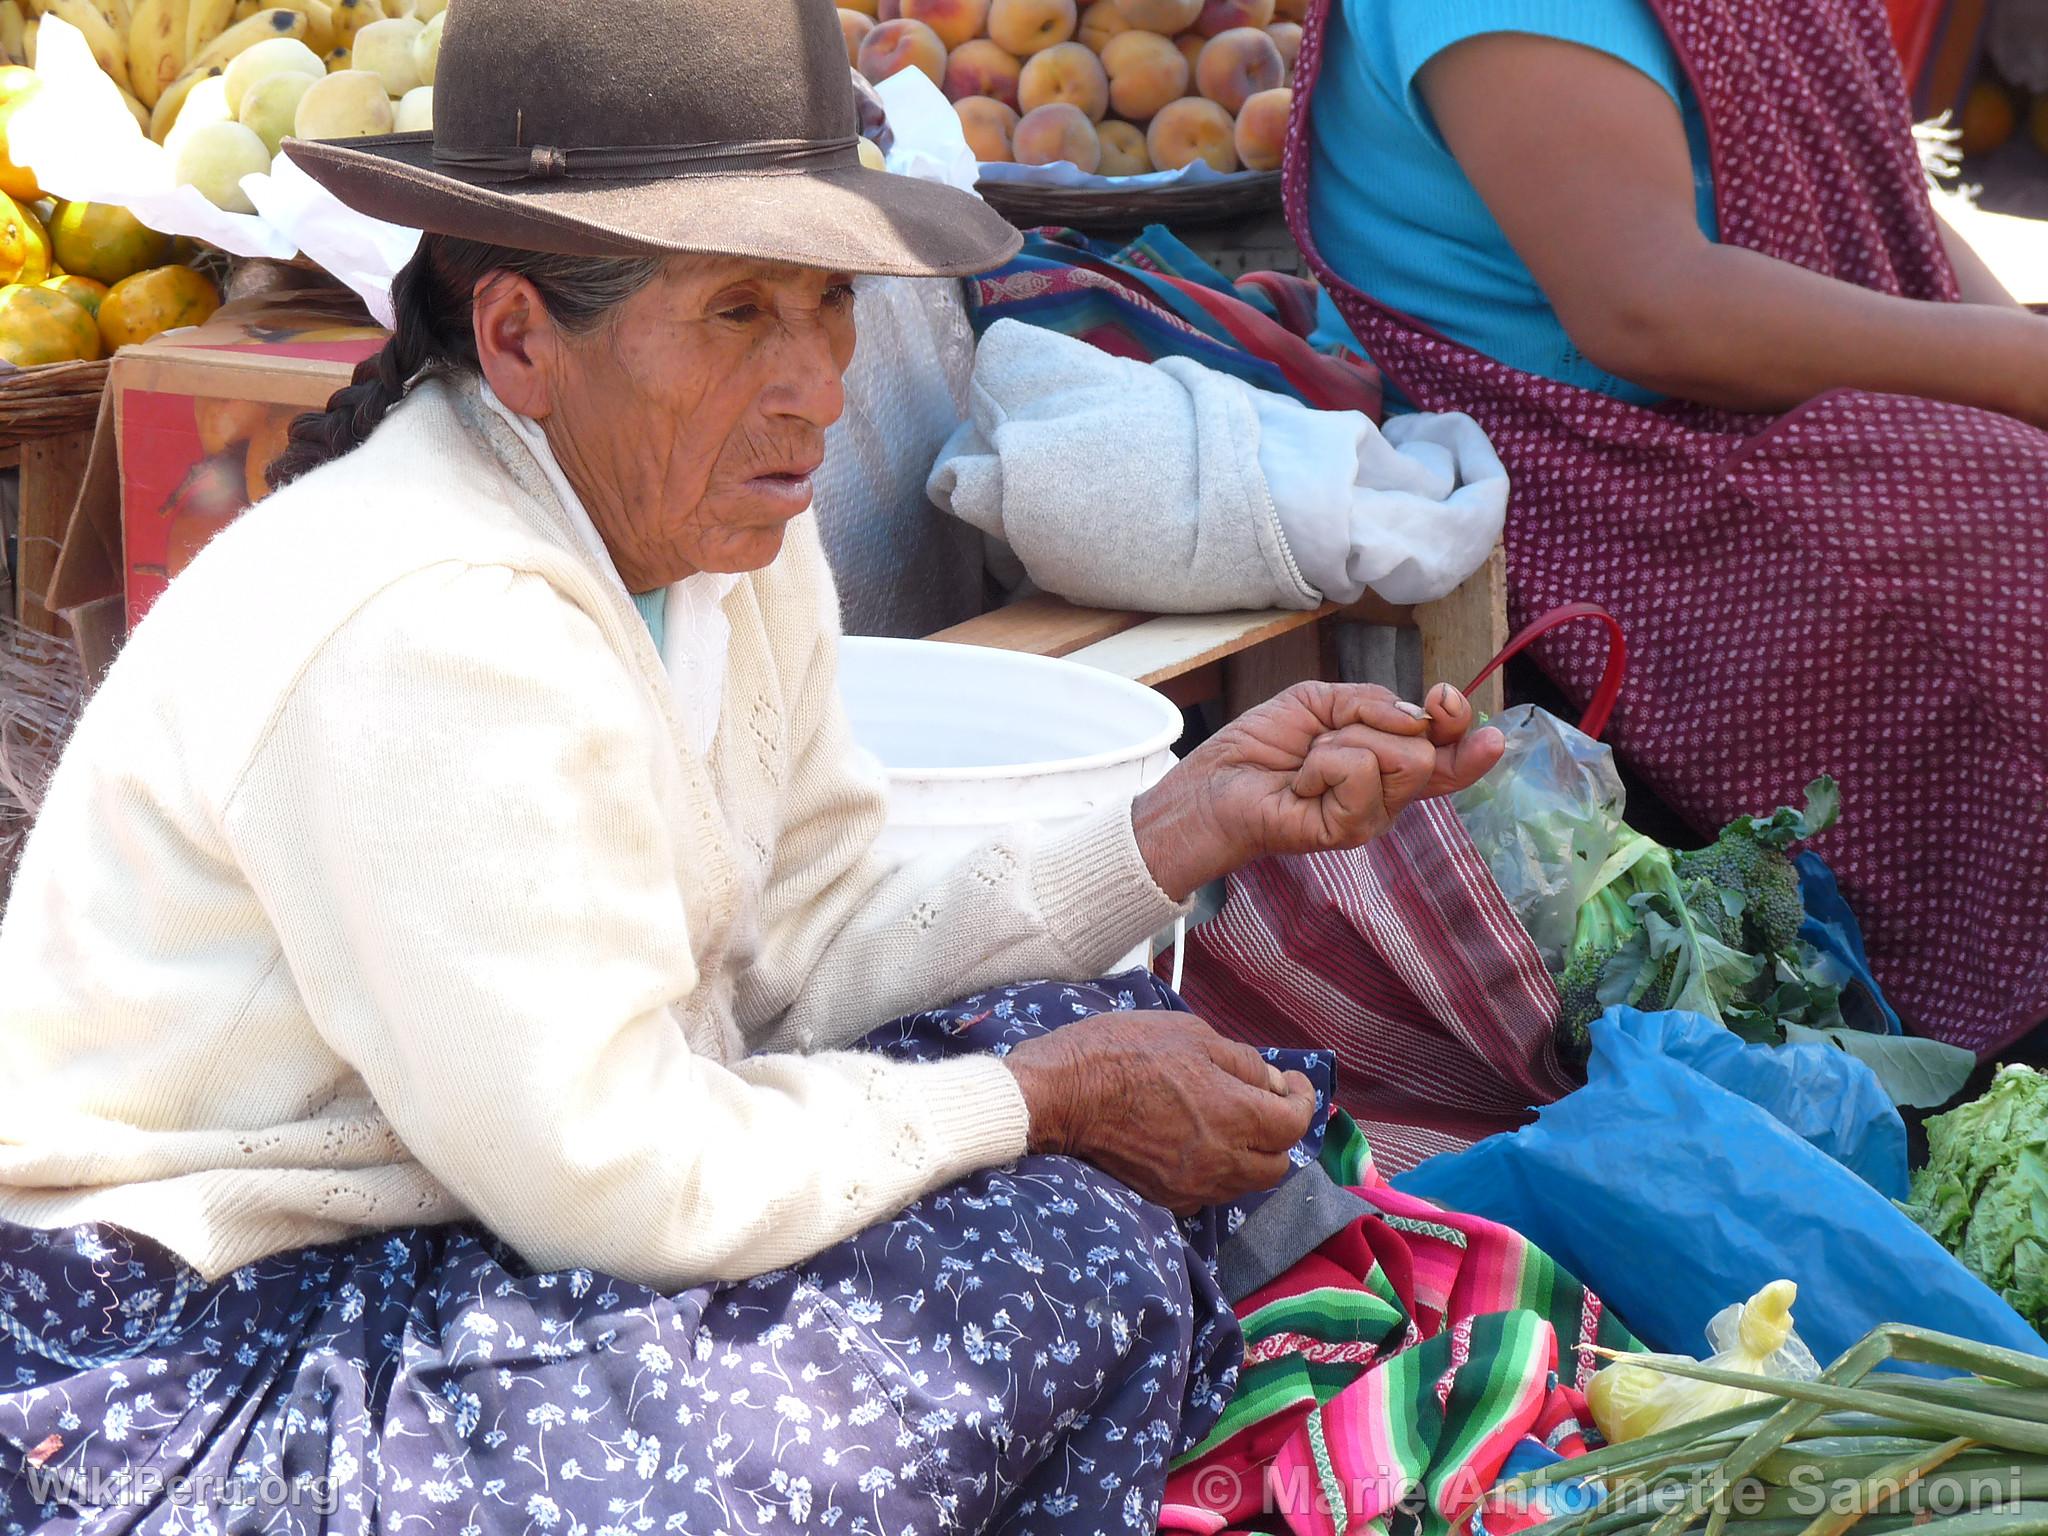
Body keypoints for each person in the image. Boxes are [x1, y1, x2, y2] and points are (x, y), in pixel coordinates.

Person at [0, 0, 1506, 1529]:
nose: (817, 385)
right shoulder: (432, 622)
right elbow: (619, 1168)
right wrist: (1039, 1103)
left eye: (830, 303)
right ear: (520, 336)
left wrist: (1177, 827)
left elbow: (804, 941)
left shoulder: (719, 541)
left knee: (1119, 1060)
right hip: (172, 1355)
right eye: (739, 314)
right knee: (1056, 1248)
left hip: (460, 1208)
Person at [1287, 0, 2048, 1053]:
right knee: (2014, 563)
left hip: (1756, 404)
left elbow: (1884, 206)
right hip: (1595, 465)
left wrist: (2007, 351)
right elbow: (1645, 303)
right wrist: (2016, 371)